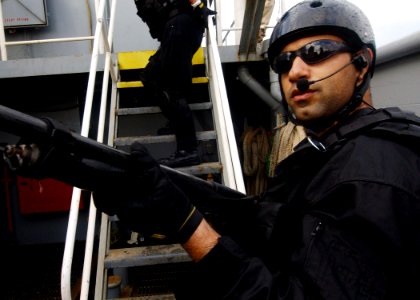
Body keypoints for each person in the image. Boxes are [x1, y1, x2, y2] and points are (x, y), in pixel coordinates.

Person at [3, 0, 420, 299]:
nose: (295, 71)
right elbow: (265, 221)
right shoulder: (330, 151)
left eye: (316, 53)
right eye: (284, 61)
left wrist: (185, 224)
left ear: (362, 63)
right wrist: (153, 189)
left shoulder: (372, 172)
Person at [133, 0, 215, 168]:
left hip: (180, 25)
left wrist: (198, 5)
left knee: (173, 88)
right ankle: (176, 123)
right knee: (150, 77)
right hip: (174, 29)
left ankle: (188, 150)